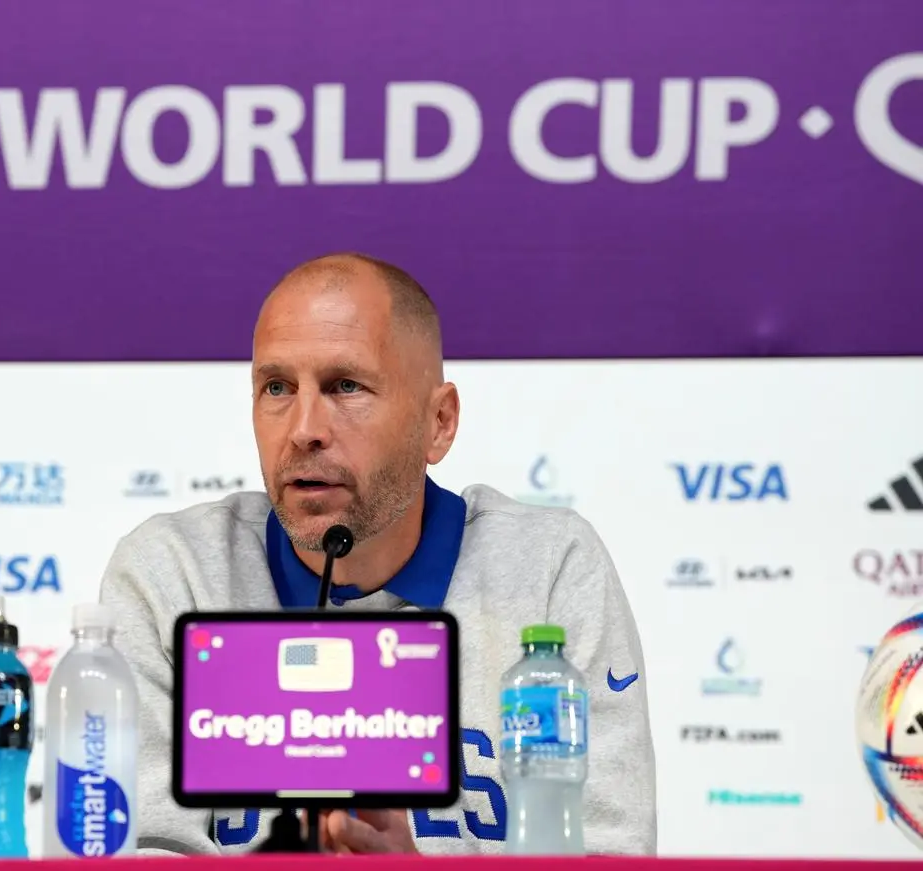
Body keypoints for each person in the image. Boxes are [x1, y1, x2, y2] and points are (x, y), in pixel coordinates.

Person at [98, 253, 657, 855]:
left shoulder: (550, 571)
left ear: (438, 423)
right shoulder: (173, 576)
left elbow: (607, 856)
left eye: (346, 386)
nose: (304, 428)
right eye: (277, 388)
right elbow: (133, 856)